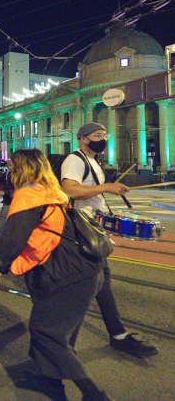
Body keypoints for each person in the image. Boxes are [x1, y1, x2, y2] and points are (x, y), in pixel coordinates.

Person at [0, 149, 110, 401]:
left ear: (21, 169)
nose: (10, 172)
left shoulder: (28, 195)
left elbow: (13, 239)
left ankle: (93, 395)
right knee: (59, 333)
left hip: (65, 274)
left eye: (13, 167)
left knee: (45, 332)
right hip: (84, 270)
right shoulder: (50, 191)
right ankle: (50, 382)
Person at [61, 122, 157, 359]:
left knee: (101, 283)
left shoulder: (93, 161)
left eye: (104, 135)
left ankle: (117, 336)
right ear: (83, 138)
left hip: (92, 229)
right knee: (87, 287)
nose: (102, 139)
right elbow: (69, 190)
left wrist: (108, 191)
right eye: (97, 135)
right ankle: (60, 348)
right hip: (81, 230)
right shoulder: (75, 160)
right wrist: (106, 187)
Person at [0, 159, 15, 240]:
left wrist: (5, 192)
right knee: (2, 230)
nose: (7, 160)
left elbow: (18, 189)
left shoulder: (18, 174)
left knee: (2, 229)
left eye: (11, 159)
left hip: (13, 204)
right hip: (7, 203)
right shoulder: (7, 173)